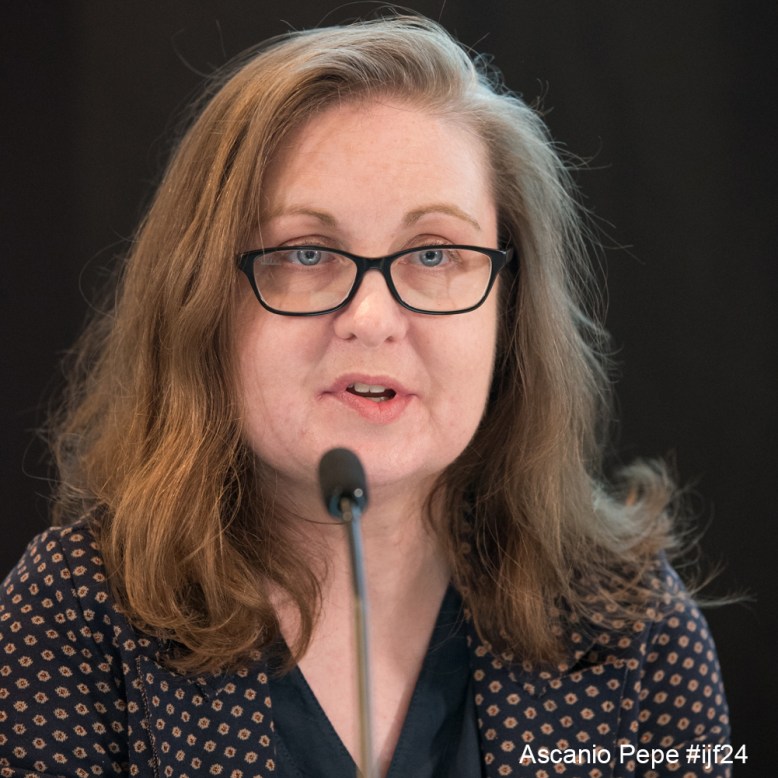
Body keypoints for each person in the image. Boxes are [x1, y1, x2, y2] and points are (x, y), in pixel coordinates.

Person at [0, 14, 730, 778]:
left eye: (435, 253)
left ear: (509, 313)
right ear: (202, 303)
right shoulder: (75, 614)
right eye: (306, 253)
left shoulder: (633, 626)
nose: (373, 319)